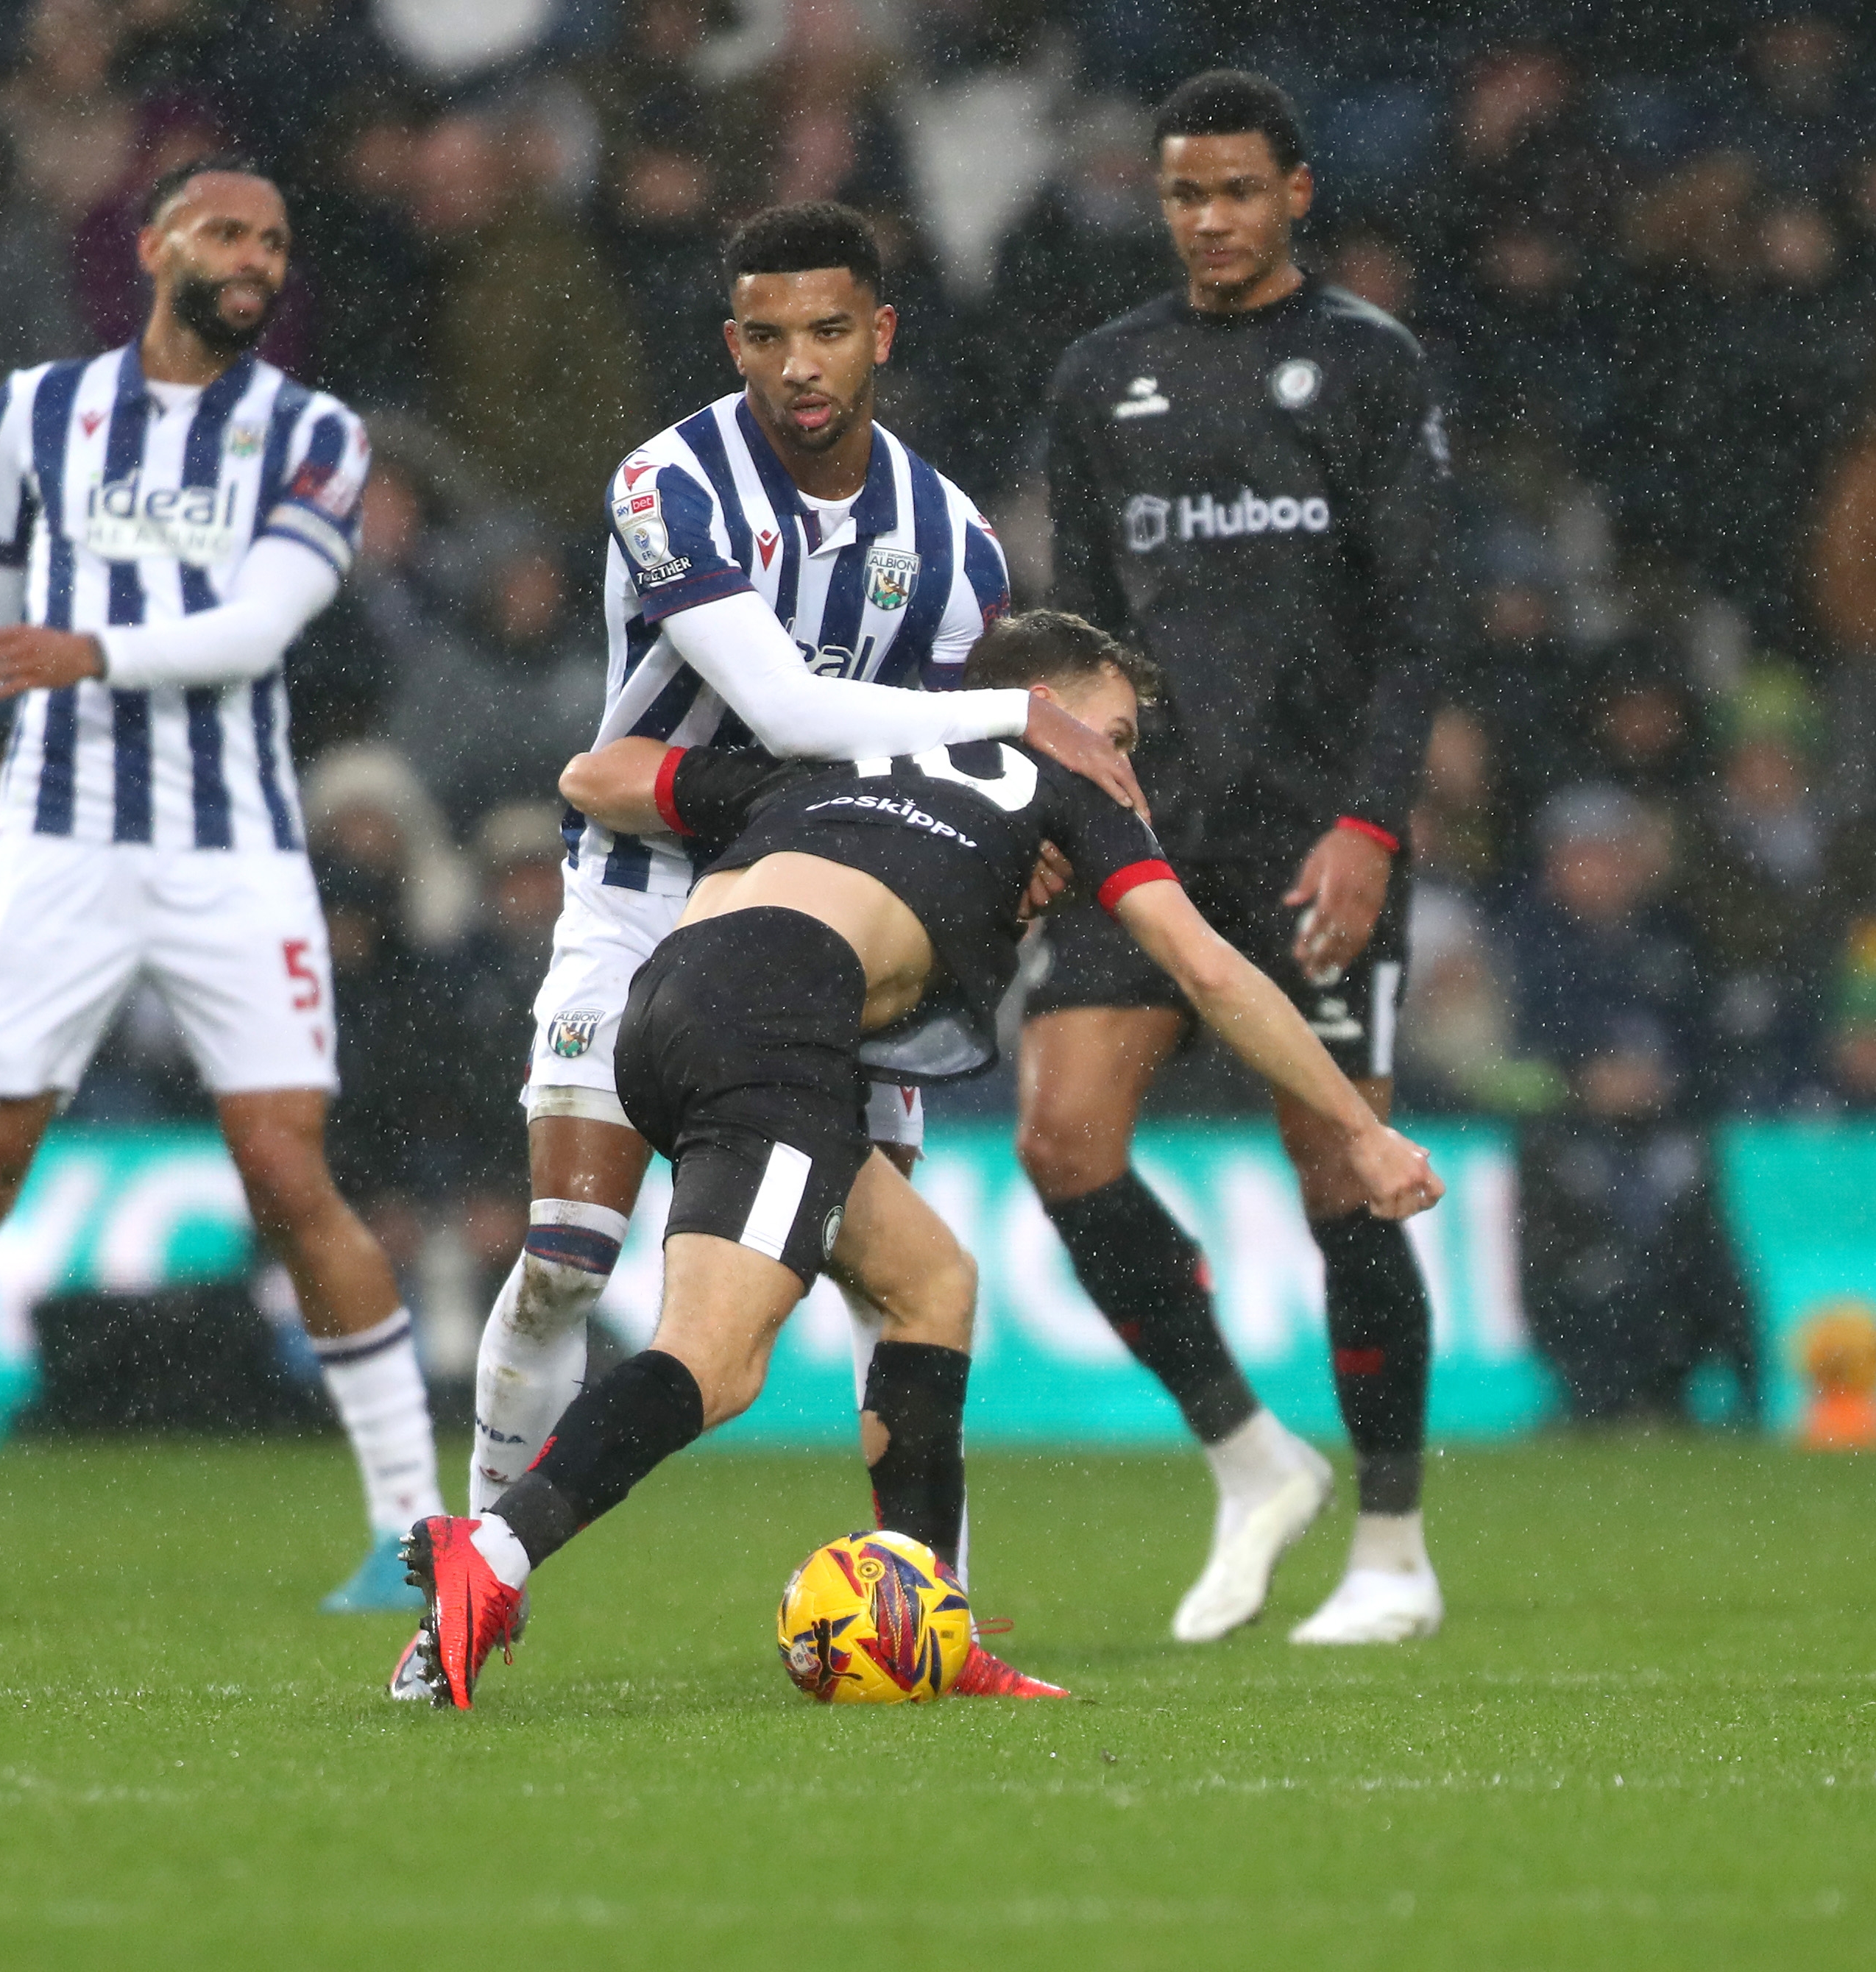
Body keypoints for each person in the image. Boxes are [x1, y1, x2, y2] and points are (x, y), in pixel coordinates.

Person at [404, 611, 1443, 1709]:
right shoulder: (1066, 782)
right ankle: (496, 1552)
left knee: (930, 1283)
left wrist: (800, 799)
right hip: (776, 1013)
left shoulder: (851, 753)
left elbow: (594, 778)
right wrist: (1359, 1131)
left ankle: (927, 1619)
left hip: (669, 1000)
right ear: (1053, 700)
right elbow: (1212, 973)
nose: (1123, 761)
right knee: (716, 1363)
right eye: (1118, 729)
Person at [454, 202, 1141, 1658]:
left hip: (825, 933)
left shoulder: (947, 541)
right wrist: (1019, 711)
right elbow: (786, 708)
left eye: (829, 331)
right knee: (573, 1254)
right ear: (732, 343)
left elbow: (944, 778)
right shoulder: (668, 482)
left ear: (880, 333)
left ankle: (927, 1622)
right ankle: (477, 1569)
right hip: (645, 899)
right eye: (766, 337)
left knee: (901, 1276)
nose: (799, 365)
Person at [0, 157, 445, 1620]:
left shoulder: (313, 433)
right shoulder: (31, 413)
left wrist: (100, 653)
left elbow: (258, 628)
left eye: (277, 238)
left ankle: (413, 1527)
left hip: (232, 850)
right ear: (155, 244)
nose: (257, 257)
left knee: (289, 1170)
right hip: (50, 845)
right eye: (230, 230)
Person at [1025, 71, 1456, 1648]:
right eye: (1182, 195)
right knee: (1063, 1139)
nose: (1207, 219)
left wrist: (1368, 826)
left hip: (1310, 832)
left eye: (1234, 192)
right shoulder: (1102, 376)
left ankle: (1394, 1550)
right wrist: (1062, 806)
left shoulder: (1362, 365)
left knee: (1345, 1164)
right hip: (1150, 831)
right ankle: (1246, 1448)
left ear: (1295, 194)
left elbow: (1418, 625)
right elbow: (1078, 633)